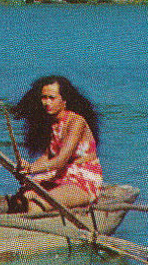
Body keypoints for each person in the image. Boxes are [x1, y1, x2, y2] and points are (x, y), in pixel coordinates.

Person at [7, 75, 103, 211]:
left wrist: (31, 170)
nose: (46, 102)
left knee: (35, 206)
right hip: (59, 176)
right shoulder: (55, 123)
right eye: (44, 98)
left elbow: (61, 160)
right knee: (19, 200)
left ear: (64, 100)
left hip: (82, 181)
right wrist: (28, 167)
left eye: (51, 98)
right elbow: (49, 156)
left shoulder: (77, 122)